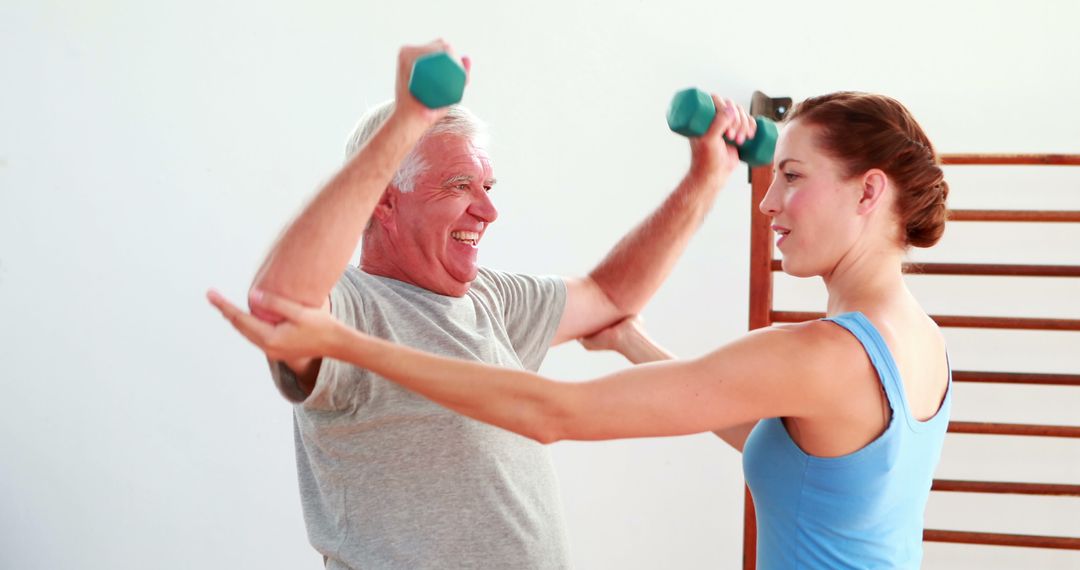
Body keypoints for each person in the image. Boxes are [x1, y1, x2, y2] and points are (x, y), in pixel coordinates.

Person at [212, 89, 953, 569]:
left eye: (791, 177)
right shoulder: (918, 339)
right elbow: (778, 441)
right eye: (457, 187)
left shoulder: (821, 353)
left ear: (869, 192)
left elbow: (556, 406)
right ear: (382, 198)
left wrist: (343, 346)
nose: (769, 205)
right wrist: (699, 190)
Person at [218, 39, 756, 570]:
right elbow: (280, 303)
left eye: (488, 186)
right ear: (384, 199)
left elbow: (612, 297)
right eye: (459, 186)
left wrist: (707, 178)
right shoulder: (354, 309)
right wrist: (408, 120)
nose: (488, 211)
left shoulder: (490, 299)